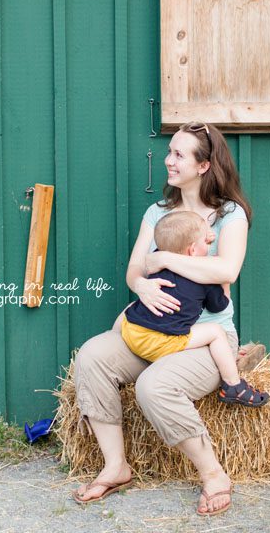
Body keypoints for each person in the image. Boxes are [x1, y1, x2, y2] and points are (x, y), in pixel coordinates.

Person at [72, 122, 258, 516]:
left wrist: (163, 259)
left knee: (154, 386)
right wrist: (141, 286)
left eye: (178, 154)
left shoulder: (229, 215)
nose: (168, 160)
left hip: (206, 336)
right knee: (92, 356)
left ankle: (213, 475)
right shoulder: (158, 212)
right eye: (169, 151)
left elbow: (226, 271)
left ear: (204, 165)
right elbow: (134, 271)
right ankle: (116, 465)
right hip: (154, 329)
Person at [114, 210, 269, 408]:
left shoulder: (157, 260)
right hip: (161, 343)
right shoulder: (204, 278)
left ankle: (115, 345)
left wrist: (199, 240)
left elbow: (175, 242)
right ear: (193, 250)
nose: (209, 245)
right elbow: (218, 305)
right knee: (215, 332)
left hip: (133, 333)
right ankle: (233, 384)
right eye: (206, 242)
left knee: (131, 308)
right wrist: (221, 284)